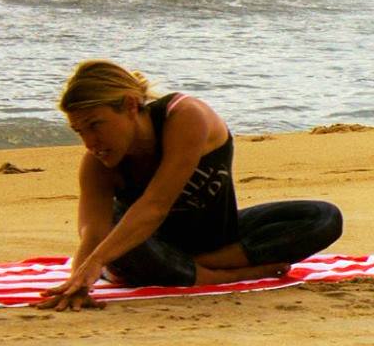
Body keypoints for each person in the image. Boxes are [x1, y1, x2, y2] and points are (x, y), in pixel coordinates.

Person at [37, 60, 343, 310]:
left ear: (130, 105)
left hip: (218, 240)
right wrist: (80, 277)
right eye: (79, 131)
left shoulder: (184, 117)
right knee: (114, 227)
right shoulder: (98, 163)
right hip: (147, 251)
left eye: (95, 125)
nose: (90, 142)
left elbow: (156, 205)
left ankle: (198, 268)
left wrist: (98, 262)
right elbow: (92, 232)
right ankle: (225, 276)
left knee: (323, 217)